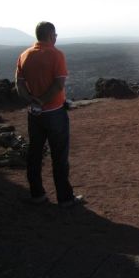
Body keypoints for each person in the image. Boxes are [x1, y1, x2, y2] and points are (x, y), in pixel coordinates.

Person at [16, 22, 83, 207]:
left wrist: (32, 101)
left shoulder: (24, 55)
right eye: (55, 35)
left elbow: (19, 84)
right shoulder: (56, 54)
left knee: (35, 154)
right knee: (59, 156)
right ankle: (65, 198)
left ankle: (37, 194)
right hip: (54, 113)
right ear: (51, 35)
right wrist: (43, 101)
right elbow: (59, 84)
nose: (56, 38)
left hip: (34, 115)